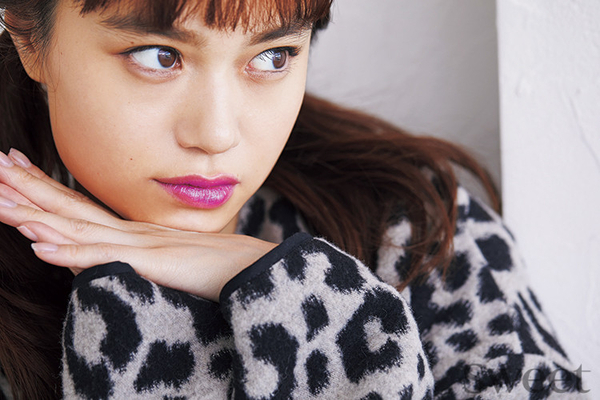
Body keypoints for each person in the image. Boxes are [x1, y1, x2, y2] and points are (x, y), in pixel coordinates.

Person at [0, 0, 587, 399]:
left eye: (271, 57)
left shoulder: (410, 222)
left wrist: (301, 292)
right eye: (159, 55)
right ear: (29, 38)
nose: (217, 134)